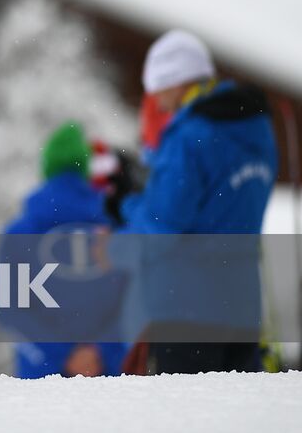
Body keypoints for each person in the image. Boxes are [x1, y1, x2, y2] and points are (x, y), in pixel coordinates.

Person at [117, 29, 278, 375]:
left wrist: (126, 206)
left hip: (188, 310)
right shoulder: (258, 129)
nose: (157, 101)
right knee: (237, 422)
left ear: (177, 82)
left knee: (184, 422)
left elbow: (161, 227)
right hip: (243, 308)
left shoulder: (189, 136)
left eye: (158, 88)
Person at [0, 122, 127, 379]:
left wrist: (58, 354)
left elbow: (6, 305)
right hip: (111, 378)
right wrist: (101, 352)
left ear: (46, 167)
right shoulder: (115, 228)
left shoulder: (20, 232)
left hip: (41, 379)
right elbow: (137, 299)